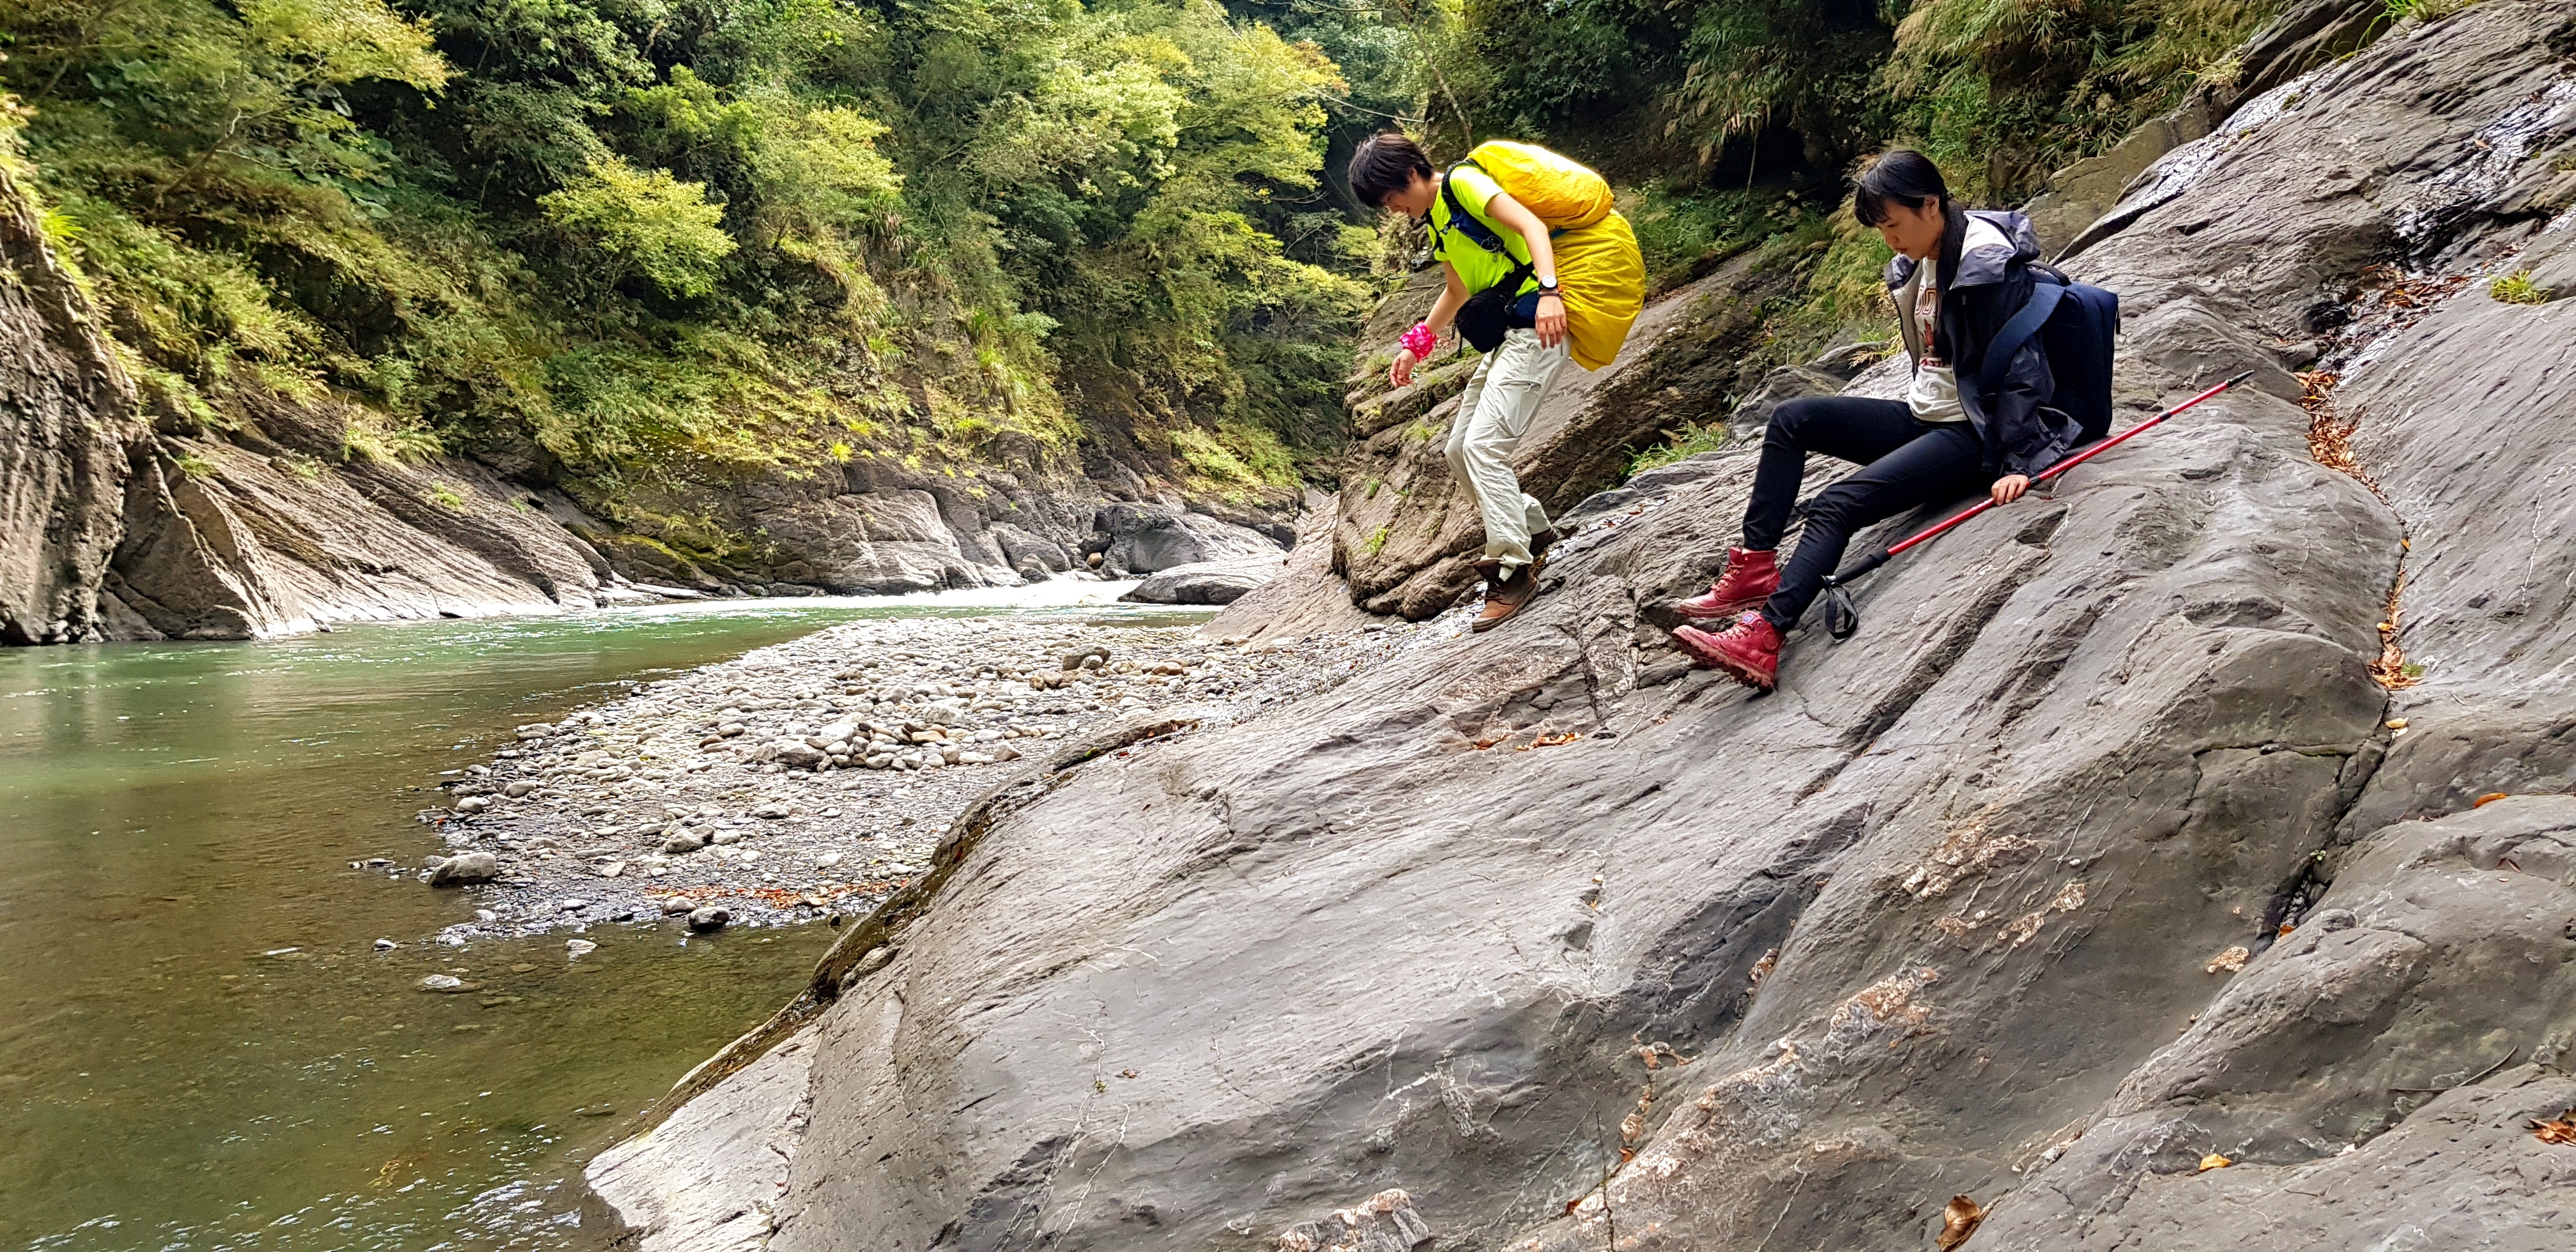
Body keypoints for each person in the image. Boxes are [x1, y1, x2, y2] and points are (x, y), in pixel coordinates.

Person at [1669, 149, 2077, 690]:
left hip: (1972, 435)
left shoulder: (1986, 263)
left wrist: (2020, 459)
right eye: (1880, 228)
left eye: (1893, 224)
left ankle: (1764, 635)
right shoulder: (1923, 258)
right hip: (1926, 416)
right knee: (1793, 419)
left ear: (1930, 204)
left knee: (1837, 505)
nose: (1889, 238)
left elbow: (2024, 366)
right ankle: (1755, 568)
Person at [1349, 133, 1643, 631]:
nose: (1392, 209)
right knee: (1460, 448)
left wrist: (1551, 292)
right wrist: (1415, 343)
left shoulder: (1464, 183)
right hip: (1511, 331)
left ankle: (1513, 570)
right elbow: (1457, 289)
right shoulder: (1438, 220)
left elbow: (1530, 226)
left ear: (1410, 175)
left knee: (1486, 446)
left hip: (1538, 324)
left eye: (1390, 198)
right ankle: (1530, 527)